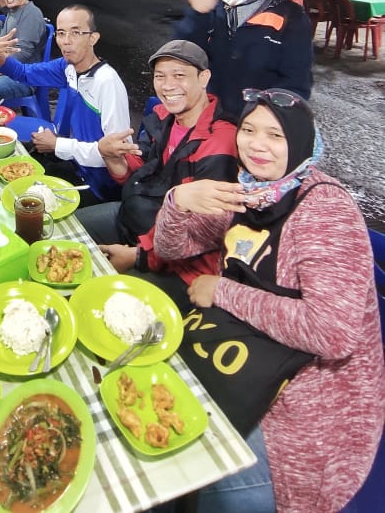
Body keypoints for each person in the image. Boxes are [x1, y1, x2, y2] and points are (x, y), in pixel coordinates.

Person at [152, 89, 384, 513]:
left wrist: (222, 290)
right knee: (155, 416)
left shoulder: (325, 210)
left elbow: (333, 333)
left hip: (310, 407)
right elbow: (173, 246)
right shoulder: (252, 192)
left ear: (299, 143)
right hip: (243, 358)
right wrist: (178, 201)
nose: (257, 145)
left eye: (275, 135)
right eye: (248, 130)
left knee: (174, 478)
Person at [77, 40, 238, 282]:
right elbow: (137, 176)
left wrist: (138, 256)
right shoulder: (164, 118)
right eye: (160, 76)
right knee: (62, 234)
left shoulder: (220, 143)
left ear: (203, 78)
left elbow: (199, 233)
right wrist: (111, 156)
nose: (168, 86)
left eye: (179, 75)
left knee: (104, 297)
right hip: (133, 219)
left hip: (178, 262)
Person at [0, 4, 130, 202]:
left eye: (76, 33)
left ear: (93, 38)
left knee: (24, 202)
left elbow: (118, 153)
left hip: (97, 187)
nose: (66, 41)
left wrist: (57, 145)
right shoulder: (68, 67)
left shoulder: (107, 83)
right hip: (71, 164)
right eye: (61, 33)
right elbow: (24, 73)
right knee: (5, 173)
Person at [175, 0, 313, 117]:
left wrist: (264, 119)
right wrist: (198, 13)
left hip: (255, 129)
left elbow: (297, 84)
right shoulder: (216, 8)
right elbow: (182, 58)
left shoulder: (292, 17)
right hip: (209, 122)